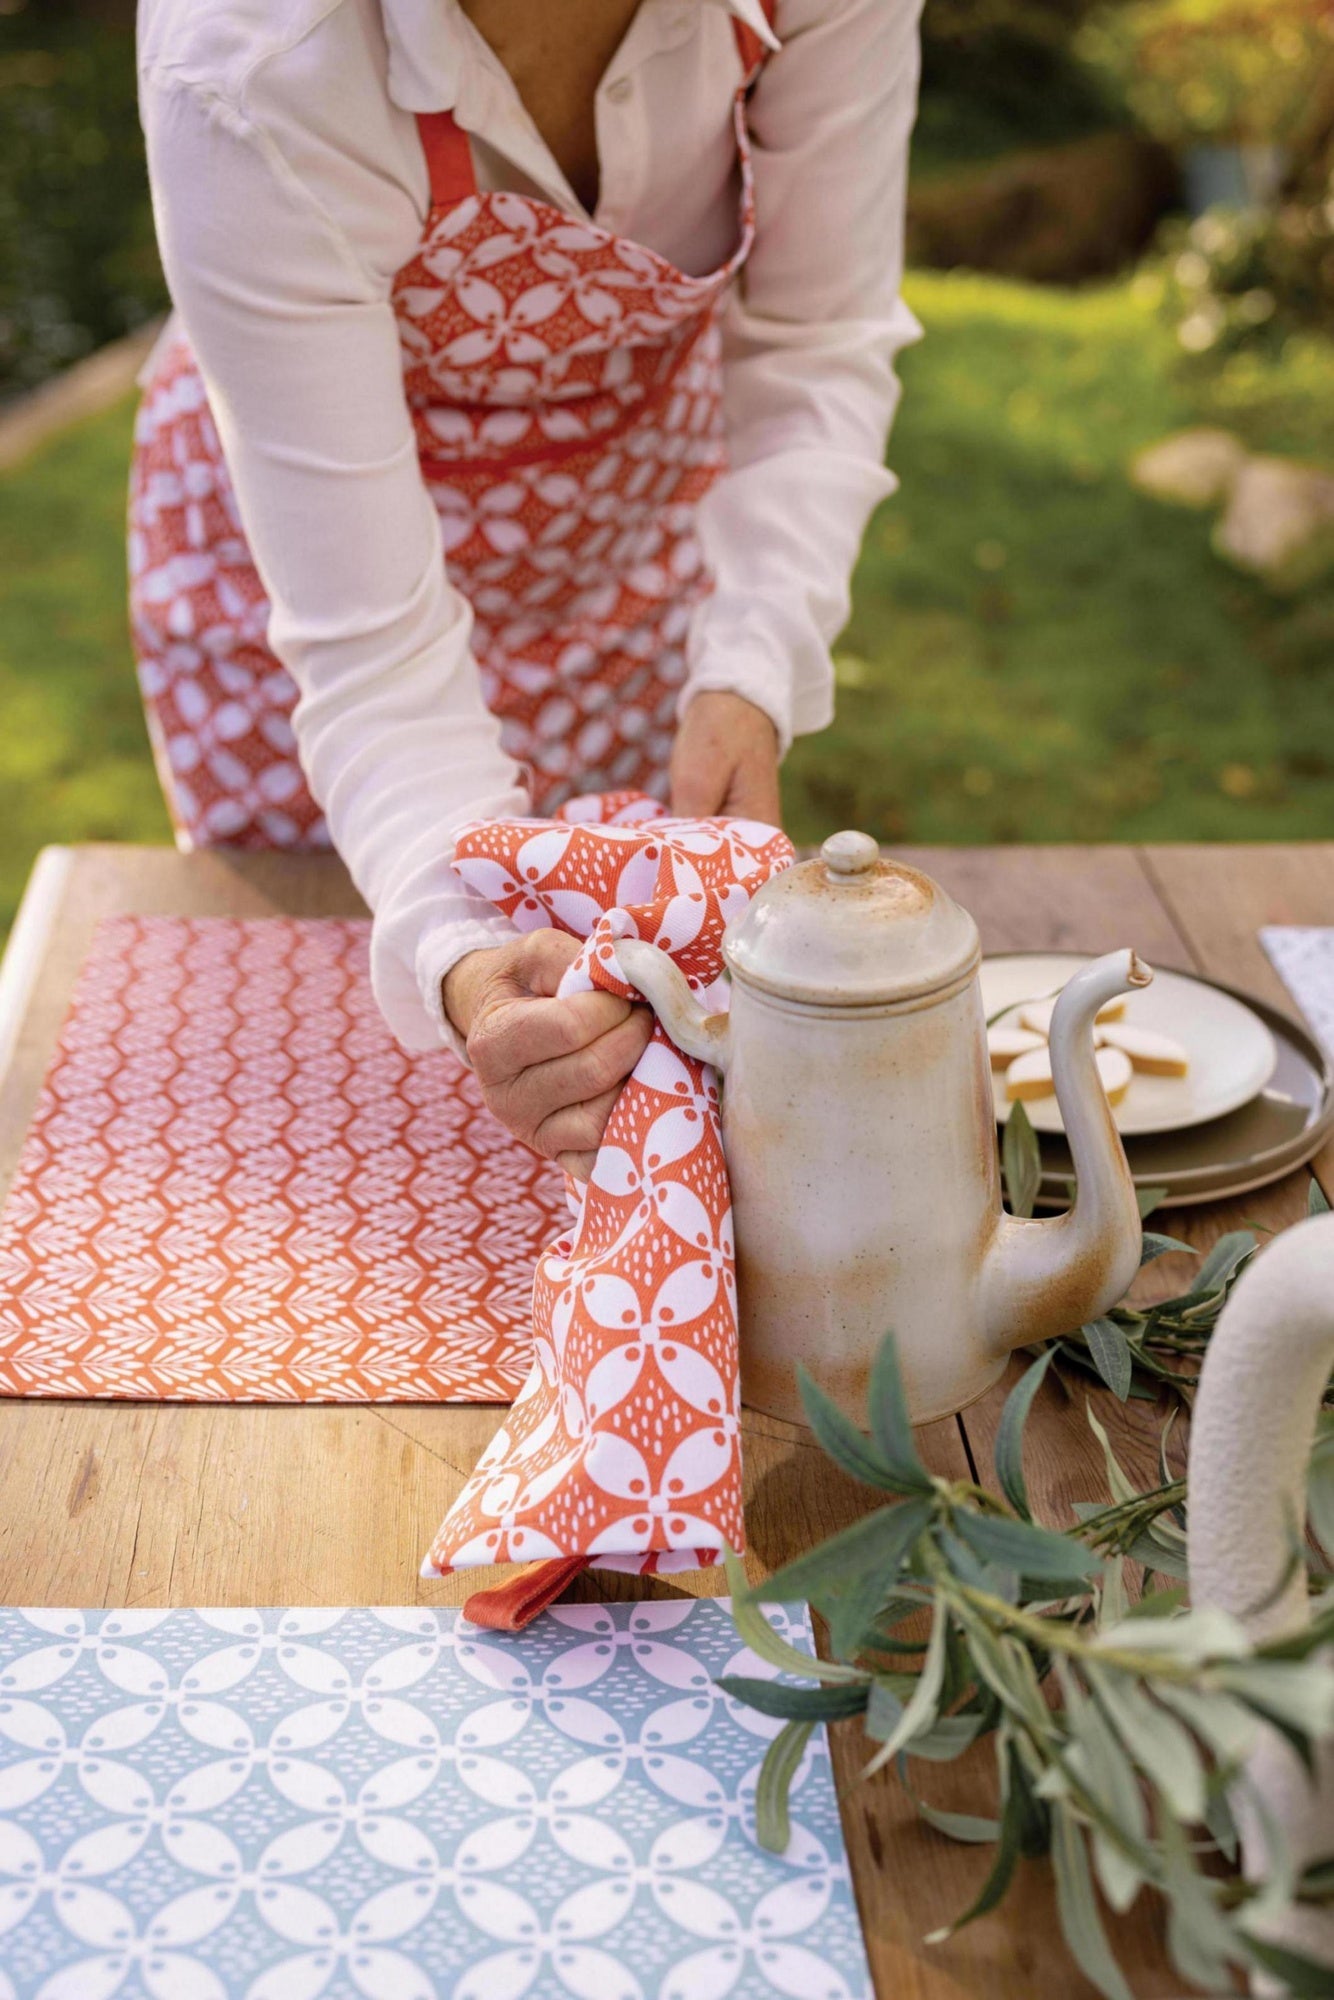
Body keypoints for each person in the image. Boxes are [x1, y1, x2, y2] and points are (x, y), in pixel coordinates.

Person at [132, 0, 921, 1177]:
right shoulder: (247, 63)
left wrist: (750, 659)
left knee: (613, 1047)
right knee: (321, 1083)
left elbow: (812, 336)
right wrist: (457, 947)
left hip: (631, 530)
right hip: (308, 574)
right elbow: (373, 657)